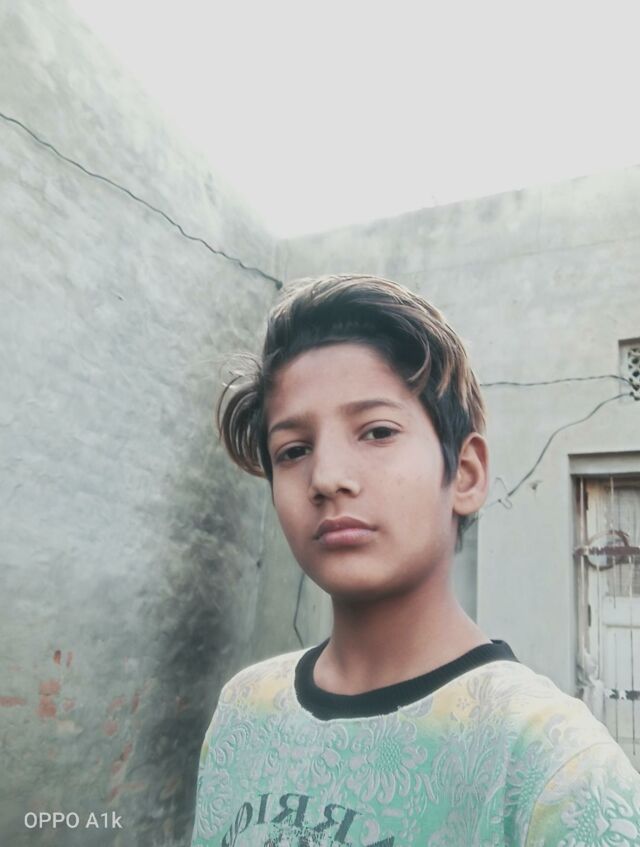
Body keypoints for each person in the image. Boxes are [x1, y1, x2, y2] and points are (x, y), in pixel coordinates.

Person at [190, 274, 640, 846]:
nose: (326, 477)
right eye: (294, 450)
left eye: (377, 432)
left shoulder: (556, 770)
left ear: (466, 475)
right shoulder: (243, 711)